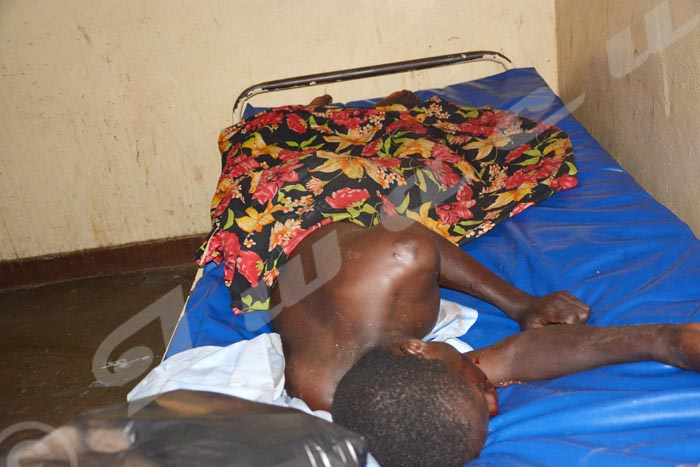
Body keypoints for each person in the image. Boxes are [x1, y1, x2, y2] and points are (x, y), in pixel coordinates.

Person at [198, 91, 700, 467]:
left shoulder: (397, 261)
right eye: (487, 398)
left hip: (315, 207)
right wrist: (667, 341)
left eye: (479, 386)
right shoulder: (366, 395)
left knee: (458, 165)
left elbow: (420, 242)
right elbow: (514, 358)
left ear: (416, 350)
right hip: (308, 274)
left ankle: (348, 117)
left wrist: (521, 304)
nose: (494, 396)